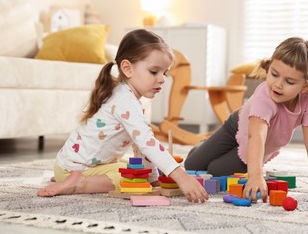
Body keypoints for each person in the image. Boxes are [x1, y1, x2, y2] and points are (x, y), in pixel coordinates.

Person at [37, 29, 208, 203]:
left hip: (68, 165)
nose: (162, 79)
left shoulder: (125, 96)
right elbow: (147, 143)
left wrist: (154, 178)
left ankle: (72, 177)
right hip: (75, 169)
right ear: (127, 68)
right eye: (154, 72)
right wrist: (181, 177)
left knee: (140, 171)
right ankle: (80, 183)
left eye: (165, 73)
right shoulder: (125, 101)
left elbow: (140, 145)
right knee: (135, 179)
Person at [184, 37, 308, 202]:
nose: (277, 84)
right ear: (269, 67)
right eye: (274, 74)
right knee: (192, 164)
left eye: (289, 81)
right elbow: (256, 135)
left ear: (306, 85)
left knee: (215, 171)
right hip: (238, 125)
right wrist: (256, 176)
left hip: (259, 146)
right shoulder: (265, 96)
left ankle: (217, 153)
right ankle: (204, 146)